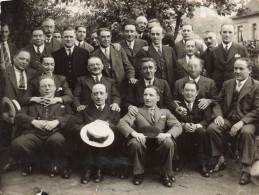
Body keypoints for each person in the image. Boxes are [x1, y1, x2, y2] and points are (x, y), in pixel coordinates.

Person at [207, 58, 259, 185]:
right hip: (229, 119)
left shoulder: (256, 85)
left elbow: (257, 109)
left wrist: (242, 122)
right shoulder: (227, 84)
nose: (237, 71)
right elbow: (217, 102)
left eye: (241, 68)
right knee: (212, 128)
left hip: (248, 121)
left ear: (249, 70)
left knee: (246, 133)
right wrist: (218, 115)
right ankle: (220, 157)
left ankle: (246, 169)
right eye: (235, 68)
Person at [118, 86, 182, 187]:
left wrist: (167, 134)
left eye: (151, 95)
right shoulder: (136, 111)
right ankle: (138, 173)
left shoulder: (165, 112)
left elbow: (177, 125)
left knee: (169, 141)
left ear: (158, 98)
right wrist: (135, 133)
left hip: (159, 144)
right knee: (134, 142)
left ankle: (165, 173)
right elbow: (122, 123)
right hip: (142, 143)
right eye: (145, 95)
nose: (147, 98)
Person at [10, 76, 72, 179]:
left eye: (50, 86)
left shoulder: (62, 104)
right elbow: (19, 116)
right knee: (17, 143)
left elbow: (70, 116)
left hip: (54, 133)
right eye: (44, 86)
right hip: (34, 133)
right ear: (39, 89)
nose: (47, 88)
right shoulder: (31, 103)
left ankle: (57, 165)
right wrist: (34, 121)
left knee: (58, 140)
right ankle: (29, 164)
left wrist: (56, 122)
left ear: (55, 88)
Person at [67, 84, 121, 184]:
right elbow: (72, 126)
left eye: (101, 93)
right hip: (88, 143)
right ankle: (88, 169)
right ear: (91, 96)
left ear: (106, 95)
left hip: (107, 144)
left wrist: (107, 126)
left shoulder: (113, 111)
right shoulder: (84, 110)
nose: (99, 96)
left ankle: (99, 170)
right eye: (95, 94)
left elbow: (119, 128)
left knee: (103, 140)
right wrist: (88, 129)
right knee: (89, 140)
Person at [176, 80, 212, 177]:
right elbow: (171, 120)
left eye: (192, 91)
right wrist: (183, 125)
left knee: (202, 131)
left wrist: (196, 126)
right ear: (182, 91)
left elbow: (207, 120)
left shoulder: (201, 104)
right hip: (183, 133)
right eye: (187, 90)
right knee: (178, 130)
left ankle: (203, 163)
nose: (189, 93)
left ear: (197, 93)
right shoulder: (177, 105)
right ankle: (179, 161)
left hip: (198, 133)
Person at [136, 26, 184, 91]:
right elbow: (140, 72)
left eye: (158, 34)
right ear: (150, 36)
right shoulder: (144, 51)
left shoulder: (169, 50)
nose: (155, 36)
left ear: (163, 35)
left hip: (170, 87)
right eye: (153, 34)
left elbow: (176, 68)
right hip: (153, 87)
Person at [90, 28, 137, 95]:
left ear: (111, 37)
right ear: (98, 38)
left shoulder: (119, 50)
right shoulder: (93, 55)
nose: (106, 39)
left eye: (108, 36)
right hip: (105, 90)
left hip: (122, 87)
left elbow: (128, 66)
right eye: (103, 37)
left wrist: (131, 77)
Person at [207, 23, 248, 90]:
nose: (227, 35)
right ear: (220, 33)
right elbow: (210, 71)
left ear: (234, 33)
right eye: (224, 32)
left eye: (230, 32)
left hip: (235, 86)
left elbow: (246, 70)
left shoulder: (242, 49)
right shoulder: (214, 51)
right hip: (217, 87)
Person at [53, 27, 89, 91]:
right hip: (62, 89)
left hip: (80, 88)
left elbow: (87, 73)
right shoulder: (55, 54)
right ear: (62, 38)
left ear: (75, 38)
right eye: (66, 37)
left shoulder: (84, 53)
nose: (69, 39)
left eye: (71, 37)